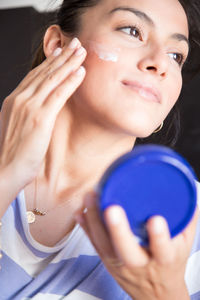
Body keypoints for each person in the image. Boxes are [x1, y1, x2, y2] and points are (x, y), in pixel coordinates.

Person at [0, 0, 200, 299]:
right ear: (57, 45)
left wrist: (163, 293)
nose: (160, 63)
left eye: (176, 55)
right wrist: (7, 175)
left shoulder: (190, 218)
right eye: (133, 30)